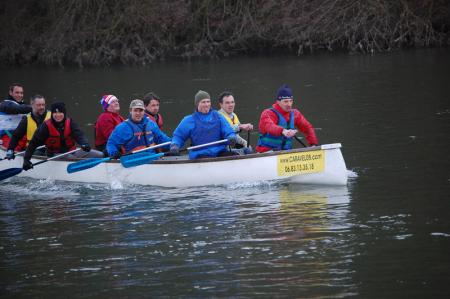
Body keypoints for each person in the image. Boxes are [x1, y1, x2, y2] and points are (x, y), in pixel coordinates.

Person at [22, 102, 103, 171]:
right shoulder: (45, 126)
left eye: (60, 112)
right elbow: (33, 143)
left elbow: (79, 135)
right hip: (54, 154)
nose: (58, 115)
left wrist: (85, 144)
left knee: (100, 155)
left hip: (72, 152)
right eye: (55, 113)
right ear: (52, 114)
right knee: (70, 157)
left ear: (64, 113)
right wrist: (26, 160)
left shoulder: (70, 122)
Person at [169, 90, 237, 159]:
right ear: (197, 104)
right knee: (205, 159)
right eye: (203, 102)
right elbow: (179, 136)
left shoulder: (218, 116)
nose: (207, 105)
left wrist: (231, 136)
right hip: (200, 154)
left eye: (208, 102)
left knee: (234, 155)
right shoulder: (189, 120)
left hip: (219, 151)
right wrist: (175, 145)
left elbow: (228, 130)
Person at [256, 84, 318, 153]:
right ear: (278, 101)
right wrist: (283, 131)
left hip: (286, 154)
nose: (289, 104)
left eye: (291, 101)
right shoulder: (267, 113)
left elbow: (308, 128)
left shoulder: (295, 114)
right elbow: (269, 126)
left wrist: (313, 144)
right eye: (285, 101)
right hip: (267, 153)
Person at [106, 99, 171, 159]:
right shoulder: (123, 127)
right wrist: (114, 152)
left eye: (140, 110)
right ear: (130, 111)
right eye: (135, 110)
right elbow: (111, 144)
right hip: (133, 160)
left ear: (144, 111)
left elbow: (161, 138)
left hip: (152, 158)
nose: (138, 113)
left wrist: (174, 144)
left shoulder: (151, 124)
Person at [5, 95, 50, 159]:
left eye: (43, 105)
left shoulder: (52, 116)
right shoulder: (26, 119)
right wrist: (10, 149)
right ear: (32, 105)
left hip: (50, 149)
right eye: (38, 105)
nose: (42, 107)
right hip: (33, 150)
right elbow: (16, 136)